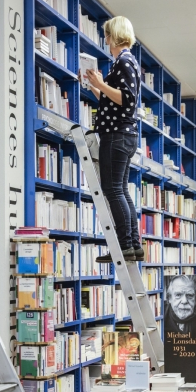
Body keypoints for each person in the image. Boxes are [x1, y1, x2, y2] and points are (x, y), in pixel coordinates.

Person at [85, 16, 143, 263]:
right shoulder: (125, 63)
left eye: (107, 34)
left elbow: (127, 100)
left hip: (117, 135)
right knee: (121, 190)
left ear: (114, 36)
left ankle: (125, 245)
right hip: (124, 134)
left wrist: (101, 83)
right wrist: (95, 88)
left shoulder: (125, 61)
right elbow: (115, 103)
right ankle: (133, 244)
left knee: (112, 190)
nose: (105, 40)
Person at [165, 275, 196, 339]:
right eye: (178, 295)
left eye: (190, 295)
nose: (184, 301)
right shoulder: (161, 315)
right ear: (169, 299)